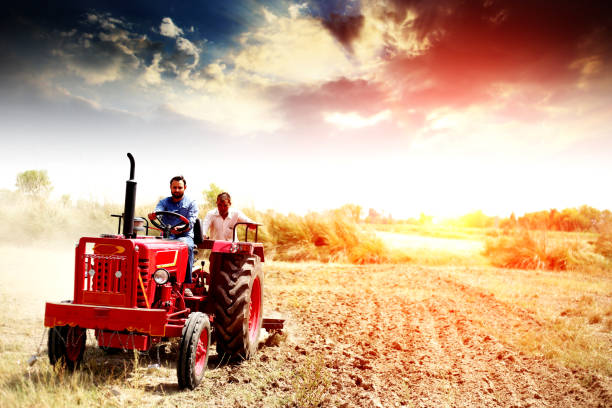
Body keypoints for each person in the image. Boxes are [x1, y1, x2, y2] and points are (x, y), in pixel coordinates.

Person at [148, 175, 198, 285]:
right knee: (151, 248)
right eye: (174, 187)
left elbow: (191, 222)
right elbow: (158, 211)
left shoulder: (191, 203)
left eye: (179, 187)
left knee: (186, 246)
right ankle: (154, 280)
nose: (177, 190)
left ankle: (186, 284)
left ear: (185, 187)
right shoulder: (164, 202)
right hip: (167, 235)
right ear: (170, 187)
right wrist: (154, 216)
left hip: (185, 235)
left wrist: (181, 228)